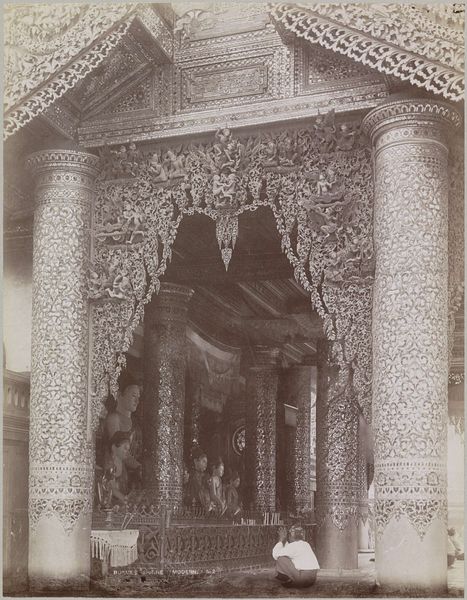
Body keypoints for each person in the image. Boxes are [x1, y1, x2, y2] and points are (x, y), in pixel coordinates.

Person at [103, 373, 142, 490]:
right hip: (116, 471)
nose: (137, 401)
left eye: (138, 397)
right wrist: (140, 467)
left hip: (130, 476)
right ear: (119, 395)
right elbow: (120, 450)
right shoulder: (114, 419)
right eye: (133, 396)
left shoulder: (136, 424)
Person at [104, 431, 132, 506]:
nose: (127, 452)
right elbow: (111, 488)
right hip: (111, 503)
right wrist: (126, 500)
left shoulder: (123, 465)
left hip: (122, 502)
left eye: (128, 449)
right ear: (114, 447)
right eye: (125, 448)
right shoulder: (109, 464)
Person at [185, 447, 211, 512]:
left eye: (206, 462)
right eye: (203, 461)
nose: (205, 465)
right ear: (196, 461)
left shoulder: (207, 477)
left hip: (204, 506)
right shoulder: (190, 475)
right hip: (191, 505)